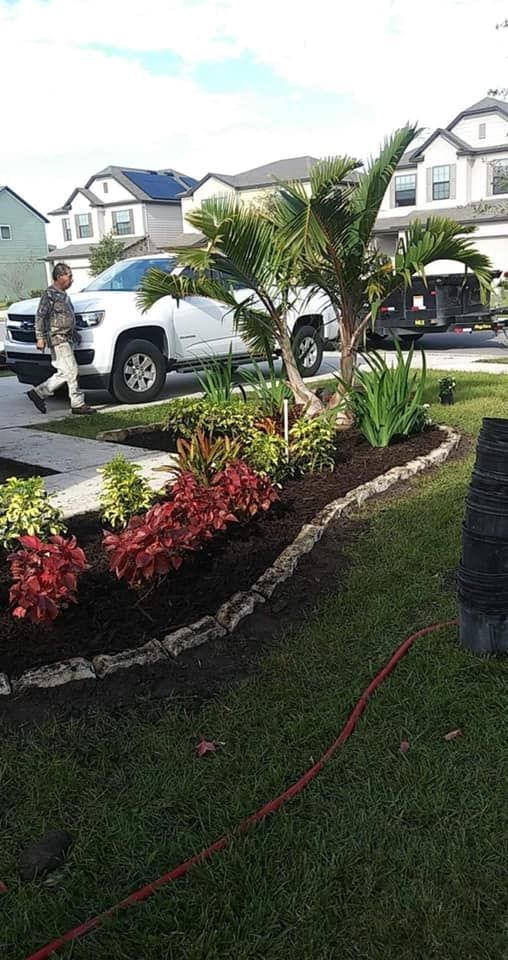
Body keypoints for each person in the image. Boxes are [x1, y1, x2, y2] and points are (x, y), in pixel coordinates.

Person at [27, 263, 94, 415]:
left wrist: (75, 333)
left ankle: (38, 393)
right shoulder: (49, 295)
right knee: (71, 371)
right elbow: (40, 316)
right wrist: (40, 338)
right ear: (59, 277)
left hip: (67, 338)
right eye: (69, 276)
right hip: (58, 339)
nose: (72, 280)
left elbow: (66, 317)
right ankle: (78, 404)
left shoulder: (64, 295)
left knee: (65, 372)